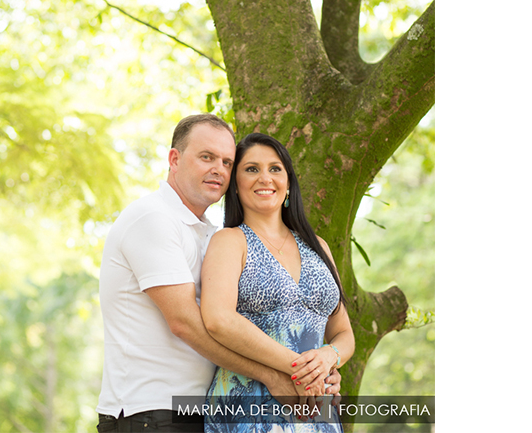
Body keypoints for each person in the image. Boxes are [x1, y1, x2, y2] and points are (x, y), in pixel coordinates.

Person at [96, 115, 341, 433]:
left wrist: (323, 366)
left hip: (203, 411)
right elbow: (186, 324)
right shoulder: (152, 218)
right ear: (175, 159)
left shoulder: (210, 234)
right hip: (151, 411)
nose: (219, 170)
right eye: (206, 157)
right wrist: (276, 374)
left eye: (227, 162)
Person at [201, 132, 354, 432]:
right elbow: (218, 319)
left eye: (275, 168)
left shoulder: (318, 247)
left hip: (315, 408)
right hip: (250, 404)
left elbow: (344, 333)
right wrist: (302, 371)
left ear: (288, 184)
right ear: (235, 186)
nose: (264, 178)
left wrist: (328, 357)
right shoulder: (230, 241)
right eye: (251, 169)